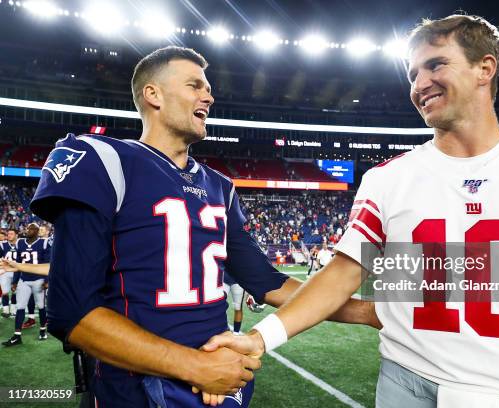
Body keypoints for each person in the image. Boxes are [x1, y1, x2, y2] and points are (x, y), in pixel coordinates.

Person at [203, 15, 499, 408]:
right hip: (406, 387)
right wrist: (260, 339)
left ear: (484, 68)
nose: (420, 84)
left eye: (436, 65)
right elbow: (344, 274)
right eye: (413, 74)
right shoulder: (387, 179)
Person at [30, 46, 379, 408]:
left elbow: (268, 282)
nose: (208, 96)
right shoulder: (103, 160)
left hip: (219, 384)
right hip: (138, 389)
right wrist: (194, 366)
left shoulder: (220, 187)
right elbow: (72, 311)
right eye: (195, 85)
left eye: (208, 88)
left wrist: (367, 313)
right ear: (153, 95)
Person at [2, 223, 50, 346]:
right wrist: (15, 281)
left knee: (41, 306)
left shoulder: (44, 243)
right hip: (24, 279)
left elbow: (48, 263)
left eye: (31, 228)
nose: (27, 230)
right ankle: (17, 336)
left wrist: (47, 280)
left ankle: (43, 330)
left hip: (38, 279)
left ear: (37, 231)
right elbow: (18, 263)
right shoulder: (20, 243)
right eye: (27, 228)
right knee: (20, 307)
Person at [0, 228, 19, 318]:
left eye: (11, 234)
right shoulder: (2, 244)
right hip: (6, 271)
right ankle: (6, 310)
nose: (9, 235)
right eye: (8, 234)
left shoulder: (21, 244)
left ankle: (13, 309)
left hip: (17, 271)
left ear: (16, 235)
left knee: (15, 291)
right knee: (5, 292)